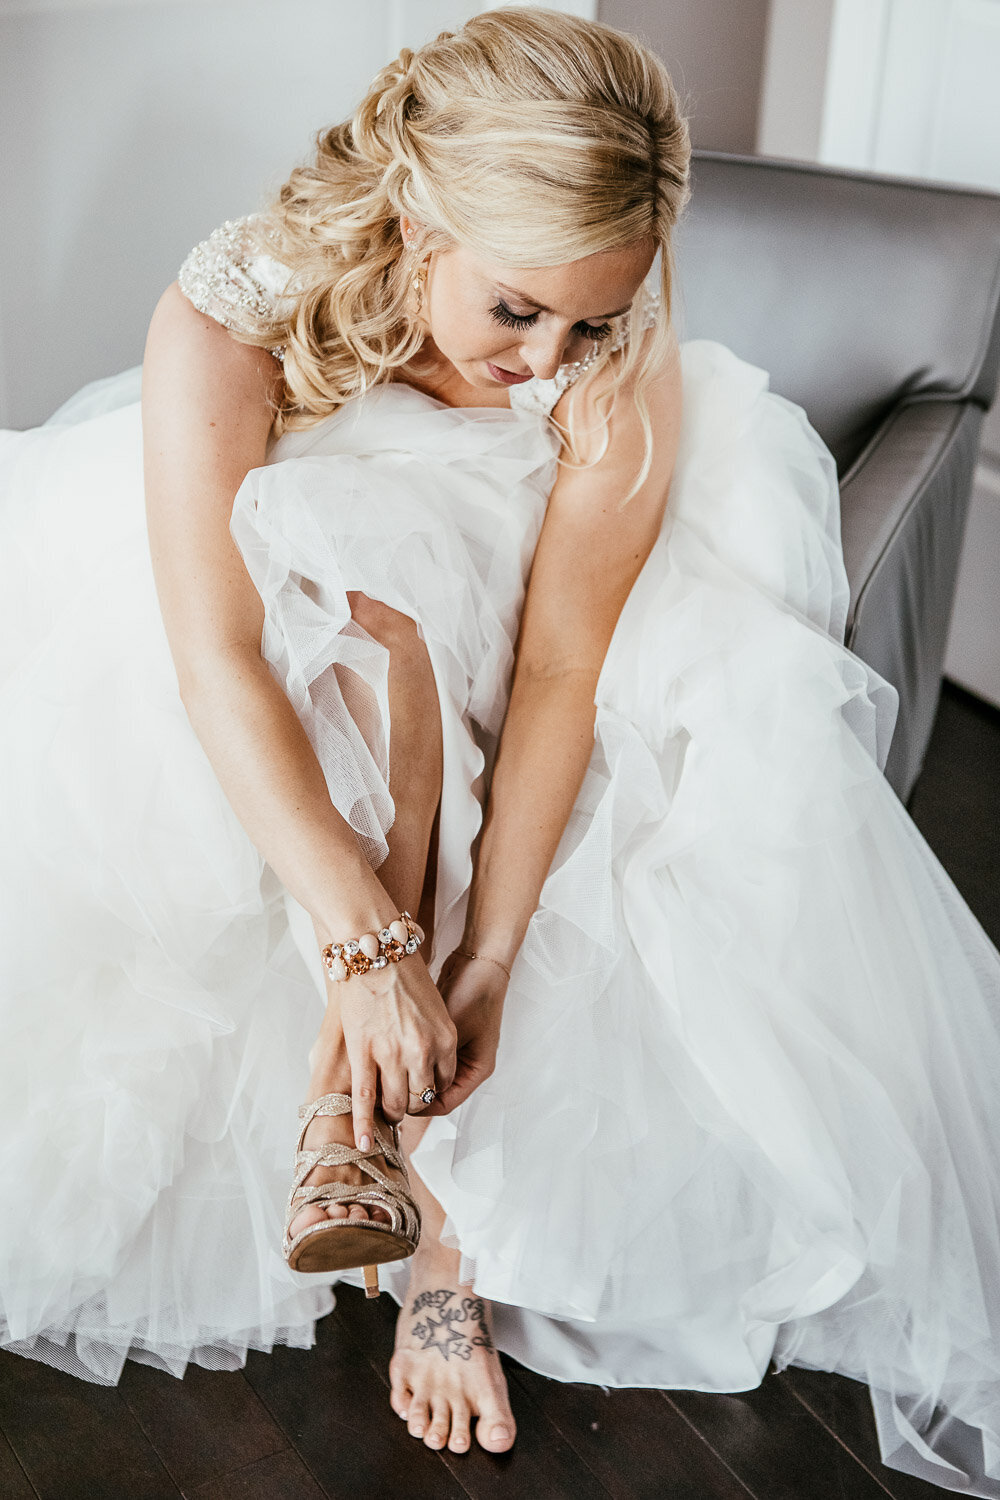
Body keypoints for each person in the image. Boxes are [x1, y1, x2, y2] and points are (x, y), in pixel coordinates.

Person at [2, 6, 1000, 1492]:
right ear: (420, 220)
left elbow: (557, 670)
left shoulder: (613, 373)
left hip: (535, 610)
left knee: (430, 658)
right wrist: (366, 948)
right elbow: (215, 653)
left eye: (599, 316)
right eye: (520, 312)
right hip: (298, 631)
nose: (551, 365)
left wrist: (482, 962)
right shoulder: (234, 307)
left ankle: (379, 1169)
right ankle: (400, 1168)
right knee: (364, 622)